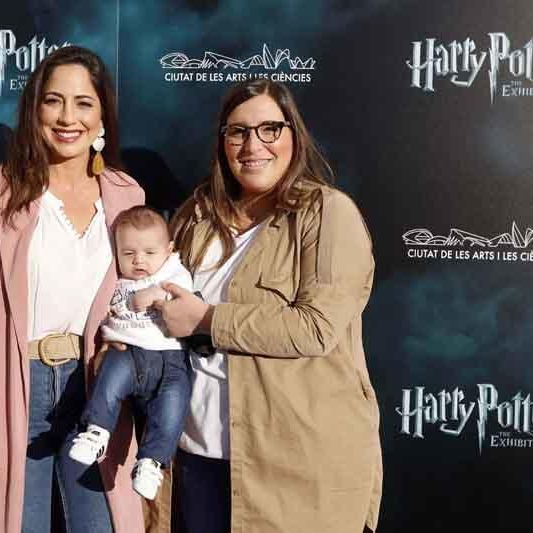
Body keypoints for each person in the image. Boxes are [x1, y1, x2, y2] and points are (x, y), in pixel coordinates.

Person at [151, 79, 383, 533]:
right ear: (223, 142)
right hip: (197, 458)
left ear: (293, 135)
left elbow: (315, 328)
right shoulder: (196, 216)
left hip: (292, 471)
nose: (252, 145)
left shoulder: (328, 214)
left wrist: (207, 320)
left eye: (269, 129)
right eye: (237, 132)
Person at [0, 46, 146, 533]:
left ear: (102, 119)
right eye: (54, 101)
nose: (67, 117)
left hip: (97, 393)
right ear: (35, 110)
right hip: (13, 391)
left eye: (83, 103)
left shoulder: (126, 195)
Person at [68, 206, 193, 501]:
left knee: (172, 408)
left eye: (150, 253)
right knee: (107, 387)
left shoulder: (172, 272)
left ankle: (152, 463)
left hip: (168, 359)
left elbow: (184, 293)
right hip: (125, 352)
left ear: (168, 250)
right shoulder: (114, 279)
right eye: (129, 253)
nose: (139, 261)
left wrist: (154, 295)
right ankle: (96, 432)